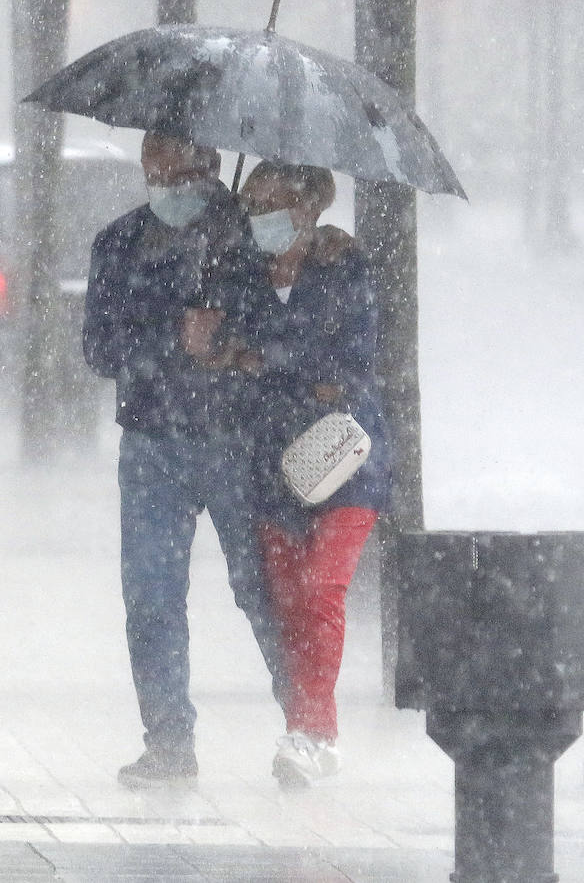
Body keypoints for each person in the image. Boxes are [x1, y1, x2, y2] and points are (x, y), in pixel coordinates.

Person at [83, 131, 288, 790]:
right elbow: (100, 349)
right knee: (151, 594)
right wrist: (171, 336)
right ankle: (168, 743)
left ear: (208, 167)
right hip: (152, 443)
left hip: (238, 439)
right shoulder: (120, 242)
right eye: (155, 172)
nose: (166, 186)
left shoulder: (252, 240)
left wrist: (227, 340)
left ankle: (305, 723)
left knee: (260, 588)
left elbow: (286, 338)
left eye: (178, 172)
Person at [200, 160, 390, 787]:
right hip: (270, 463)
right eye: (250, 205)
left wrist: (263, 358)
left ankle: (309, 731)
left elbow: (349, 363)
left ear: (307, 207)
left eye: (269, 205)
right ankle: (313, 728)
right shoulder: (238, 271)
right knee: (284, 603)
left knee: (321, 589)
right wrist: (257, 359)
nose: (258, 218)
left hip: (344, 458)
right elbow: (233, 352)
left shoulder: (345, 267)